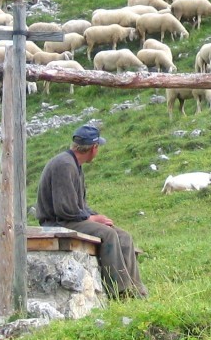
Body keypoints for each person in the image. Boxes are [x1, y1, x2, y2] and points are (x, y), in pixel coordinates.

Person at [35, 124, 147, 299]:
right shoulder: (64, 165)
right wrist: (91, 218)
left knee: (123, 236)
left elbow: (79, 205)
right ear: (94, 148)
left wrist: (94, 216)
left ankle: (136, 289)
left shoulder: (74, 164)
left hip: (70, 218)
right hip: (57, 222)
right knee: (108, 234)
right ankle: (119, 291)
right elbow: (65, 209)